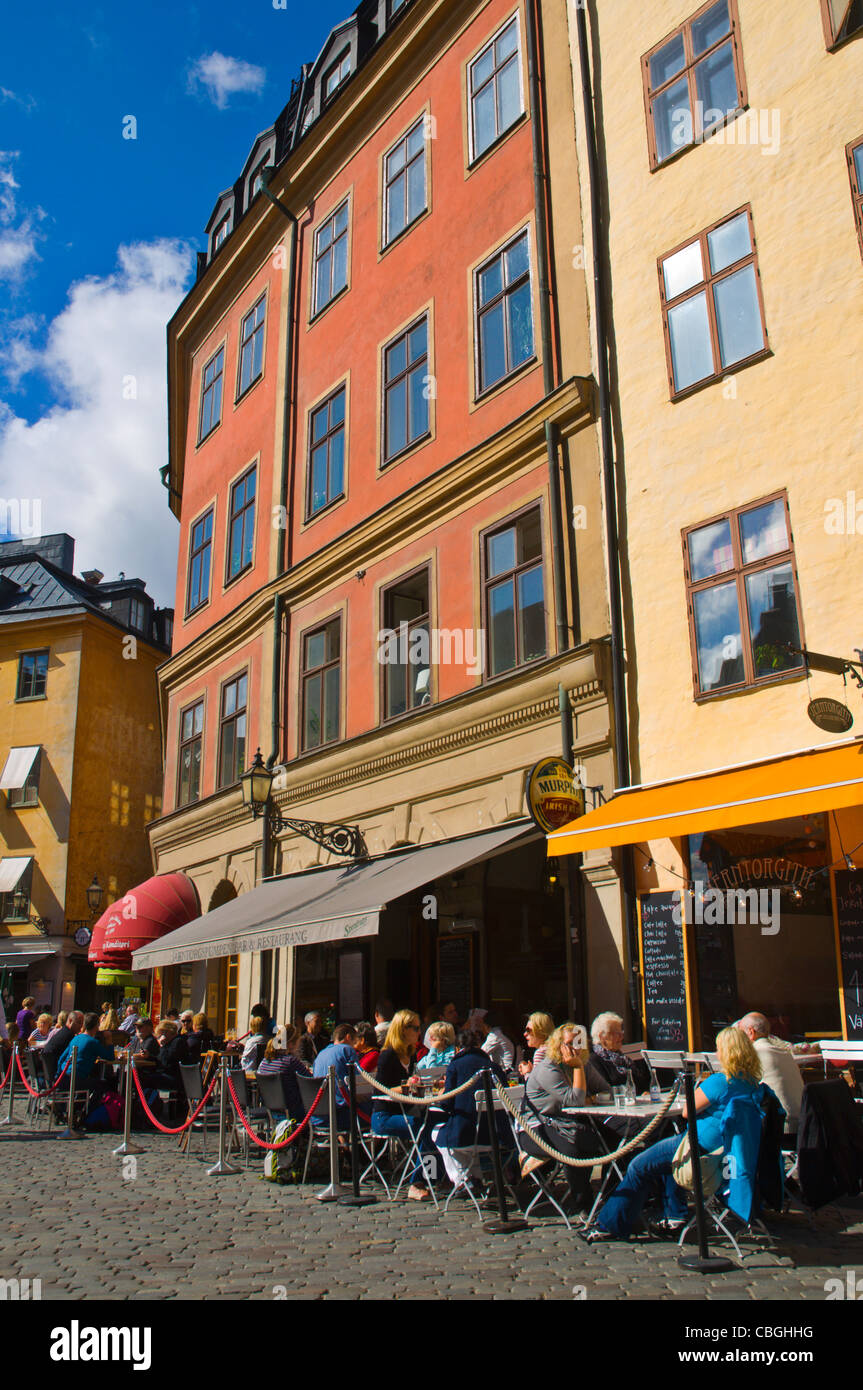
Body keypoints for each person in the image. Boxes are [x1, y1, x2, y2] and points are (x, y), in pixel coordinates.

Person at [588, 1026, 768, 1242]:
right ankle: (675, 1214)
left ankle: (610, 1224)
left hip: (700, 1147)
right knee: (665, 1156)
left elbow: (686, 1111)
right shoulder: (751, 1083)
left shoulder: (720, 1081)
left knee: (639, 1165)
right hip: (728, 1151)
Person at [522, 1022, 599, 1212]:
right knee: (573, 1149)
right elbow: (575, 1101)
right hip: (536, 1128)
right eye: (570, 1043)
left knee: (605, 1138)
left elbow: (605, 1091)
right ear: (559, 1045)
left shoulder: (581, 1063)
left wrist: (581, 1069)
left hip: (565, 1124)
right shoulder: (549, 1068)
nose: (576, 1048)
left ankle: (611, 1193)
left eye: (580, 1042)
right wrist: (578, 1067)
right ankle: (585, 1205)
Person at [432, 1027, 510, 1195]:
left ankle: (462, 1180)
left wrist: (442, 1095)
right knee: (461, 1137)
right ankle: (475, 1178)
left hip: (466, 1134)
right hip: (497, 1136)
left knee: (436, 1132)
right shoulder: (494, 1067)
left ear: (458, 1049)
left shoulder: (456, 1065)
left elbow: (447, 1104)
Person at [370, 1009, 435, 1200]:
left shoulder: (411, 1054)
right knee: (423, 1129)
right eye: (415, 1028)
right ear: (402, 1030)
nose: (418, 1032)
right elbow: (380, 1089)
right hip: (385, 1116)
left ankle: (431, 1177)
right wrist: (407, 1086)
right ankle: (416, 1182)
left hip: (408, 1111)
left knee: (434, 1124)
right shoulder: (388, 1055)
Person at [737, 1012, 803, 1135]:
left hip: (778, 1128)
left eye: (741, 1034)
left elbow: (738, 1089)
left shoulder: (754, 1056)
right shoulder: (786, 1054)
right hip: (802, 1125)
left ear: (751, 1032)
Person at [586, 1011, 650, 1096]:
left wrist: (645, 1092)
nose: (621, 1037)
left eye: (621, 1032)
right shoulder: (594, 1061)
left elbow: (642, 1082)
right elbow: (605, 1091)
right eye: (617, 1033)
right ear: (602, 1037)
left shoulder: (623, 1059)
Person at [257, 1027, 311, 1124]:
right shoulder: (290, 1061)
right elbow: (310, 1082)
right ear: (291, 1044)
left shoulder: (265, 1061)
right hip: (292, 1111)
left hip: (270, 1109)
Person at [312, 1025, 359, 1130]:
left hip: (318, 1114)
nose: (355, 1046)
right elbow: (358, 1083)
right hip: (341, 1113)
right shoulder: (347, 1050)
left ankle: (343, 1141)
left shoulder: (321, 1054)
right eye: (354, 1042)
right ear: (348, 1037)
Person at [56, 1013, 113, 1095]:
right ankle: (90, 1107)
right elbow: (110, 1057)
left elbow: (61, 1059)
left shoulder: (75, 1038)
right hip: (77, 1079)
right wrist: (109, 1040)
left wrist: (58, 1076)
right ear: (97, 1026)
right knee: (103, 1086)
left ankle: (82, 1104)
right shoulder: (93, 1042)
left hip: (64, 1077)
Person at [41, 1012, 82, 1083]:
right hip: (57, 1077)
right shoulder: (69, 1036)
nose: (81, 1026)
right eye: (79, 1023)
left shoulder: (63, 1032)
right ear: (70, 1021)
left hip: (48, 1074)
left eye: (82, 1023)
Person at [148, 1021, 188, 1090]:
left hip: (174, 1077)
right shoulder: (170, 1043)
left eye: (163, 1032)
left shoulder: (178, 1042)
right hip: (167, 1073)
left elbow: (166, 1062)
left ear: (169, 1031)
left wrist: (162, 1045)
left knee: (146, 1079)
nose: (161, 1035)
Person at [518, 1012, 555, 1078]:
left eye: (528, 1030)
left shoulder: (540, 1053)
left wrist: (527, 1072)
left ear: (540, 1031)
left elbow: (536, 1085)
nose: (525, 1034)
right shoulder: (553, 1049)